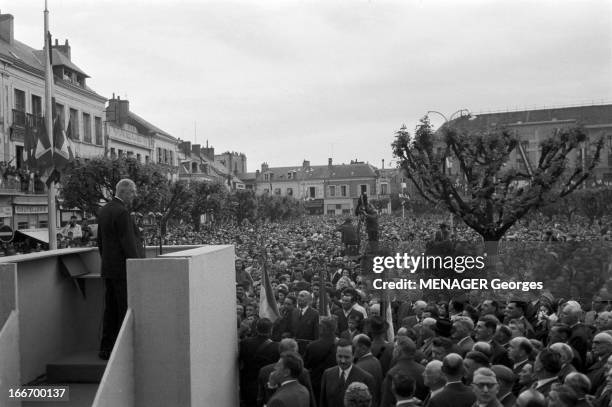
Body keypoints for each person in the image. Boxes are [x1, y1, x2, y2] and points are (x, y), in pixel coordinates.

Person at [97, 178, 143, 360]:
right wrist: (137, 266)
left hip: (108, 268)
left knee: (110, 310)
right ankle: (123, 350)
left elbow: (100, 241)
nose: (134, 195)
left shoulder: (105, 209)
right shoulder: (122, 212)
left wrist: (107, 261)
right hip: (123, 271)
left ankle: (106, 348)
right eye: (133, 192)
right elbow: (128, 244)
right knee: (124, 309)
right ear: (124, 192)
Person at [319, 338, 375, 407]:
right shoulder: (327, 374)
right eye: (340, 356)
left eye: (346, 357)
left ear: (353, 356)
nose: (343, 360)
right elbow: (323, 403)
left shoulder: (366, 378)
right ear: (336, 355)